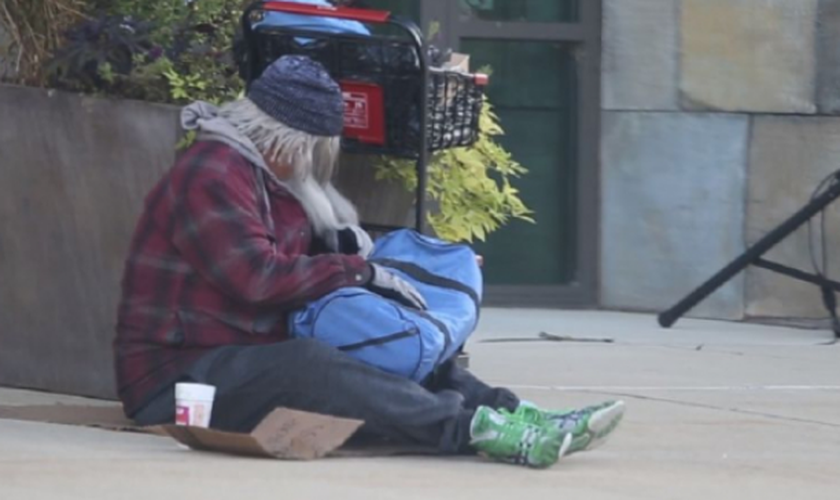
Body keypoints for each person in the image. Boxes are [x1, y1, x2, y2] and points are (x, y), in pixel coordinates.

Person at [114, 55, 625, 469]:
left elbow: (316, 258)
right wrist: (358, 271)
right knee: (311, 366)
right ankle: (473, 431)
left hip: (243, 354)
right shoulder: (212, 173)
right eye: (314, 149)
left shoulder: (273, 182)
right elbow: (258, 277)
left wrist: (396, 268)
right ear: (284, 140)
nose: (315, 162)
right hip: (177, 378)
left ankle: (513, 413)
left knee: (388, 348)